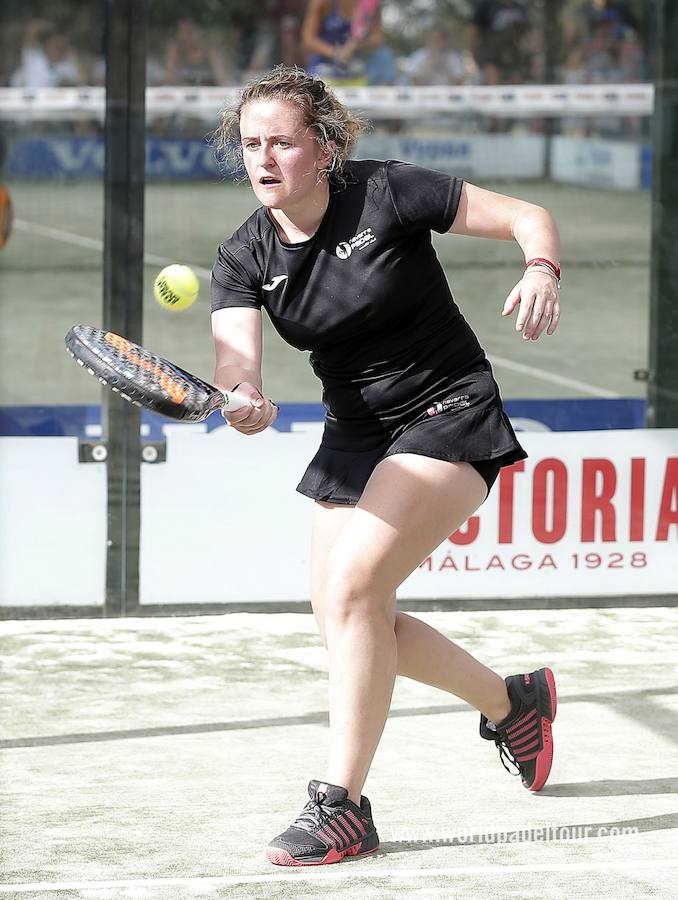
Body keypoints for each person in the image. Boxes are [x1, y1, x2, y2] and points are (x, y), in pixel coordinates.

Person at [210, 65, 560, 867]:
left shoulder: (388, 192)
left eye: (282, 143)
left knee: (355, 589)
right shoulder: (243, 254)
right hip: (354, 433)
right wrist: (246, 406)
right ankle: (514, 704)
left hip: (449, 407)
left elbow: (528, 216)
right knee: (350, 621)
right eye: (251, 144)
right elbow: (238, 375)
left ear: (324, 148)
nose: (264, 159)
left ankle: (343, 807)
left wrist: (541, 267)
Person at [301, 0, 397, 85]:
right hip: (323, 69)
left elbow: (377, 38)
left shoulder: (371, 2)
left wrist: (358, 44)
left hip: (357, 68)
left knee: (384, 55)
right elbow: (308, 39)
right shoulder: (322, 2)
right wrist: (336, 53)